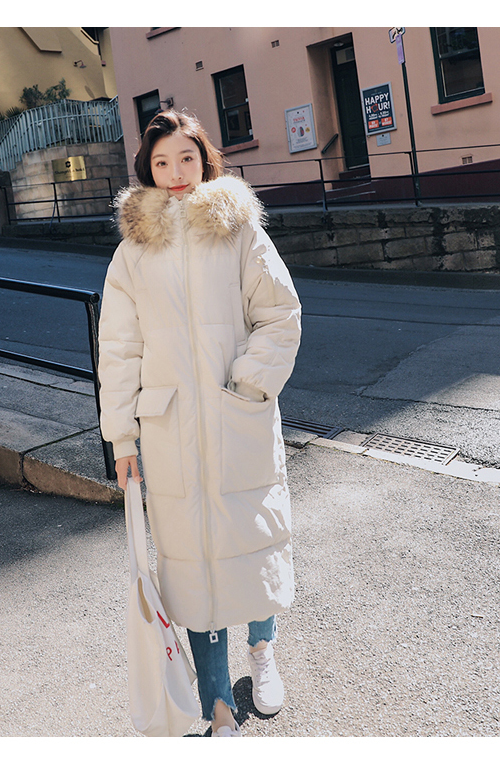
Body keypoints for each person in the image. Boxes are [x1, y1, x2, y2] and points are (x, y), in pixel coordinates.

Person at [98, 110, 301, 737]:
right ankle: (216, 702)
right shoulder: (132, 253)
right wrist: (122, 436)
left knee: (251, 541)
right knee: (191, 567)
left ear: (205, 160)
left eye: (186, 158)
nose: (176, 172)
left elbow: (280, 315)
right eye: (162, 162)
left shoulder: (239, 231)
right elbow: (119, 348)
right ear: (148, 171)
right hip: (170, 431)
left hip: (238, 418)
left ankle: (262, 650)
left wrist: (248, 387)